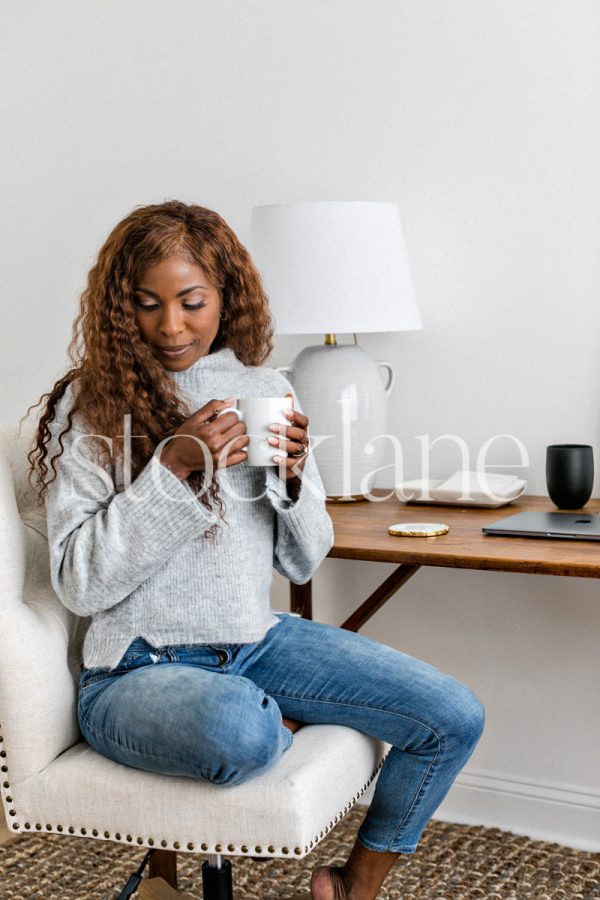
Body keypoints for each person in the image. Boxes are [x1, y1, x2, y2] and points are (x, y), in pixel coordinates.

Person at [25, 200, 485, 900]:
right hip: (134, 670)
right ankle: (263, 719)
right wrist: (173, 470)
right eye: (147, 304)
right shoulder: (90, 405)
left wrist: (295, 478)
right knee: (237, 727)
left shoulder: (266, 389)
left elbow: (303, 562)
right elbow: (80, 584)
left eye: (191, 301)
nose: (170, 325)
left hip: (256, 642)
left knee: (452, 715)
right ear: (123, 307)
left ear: (225, 296)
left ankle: (351, 888)